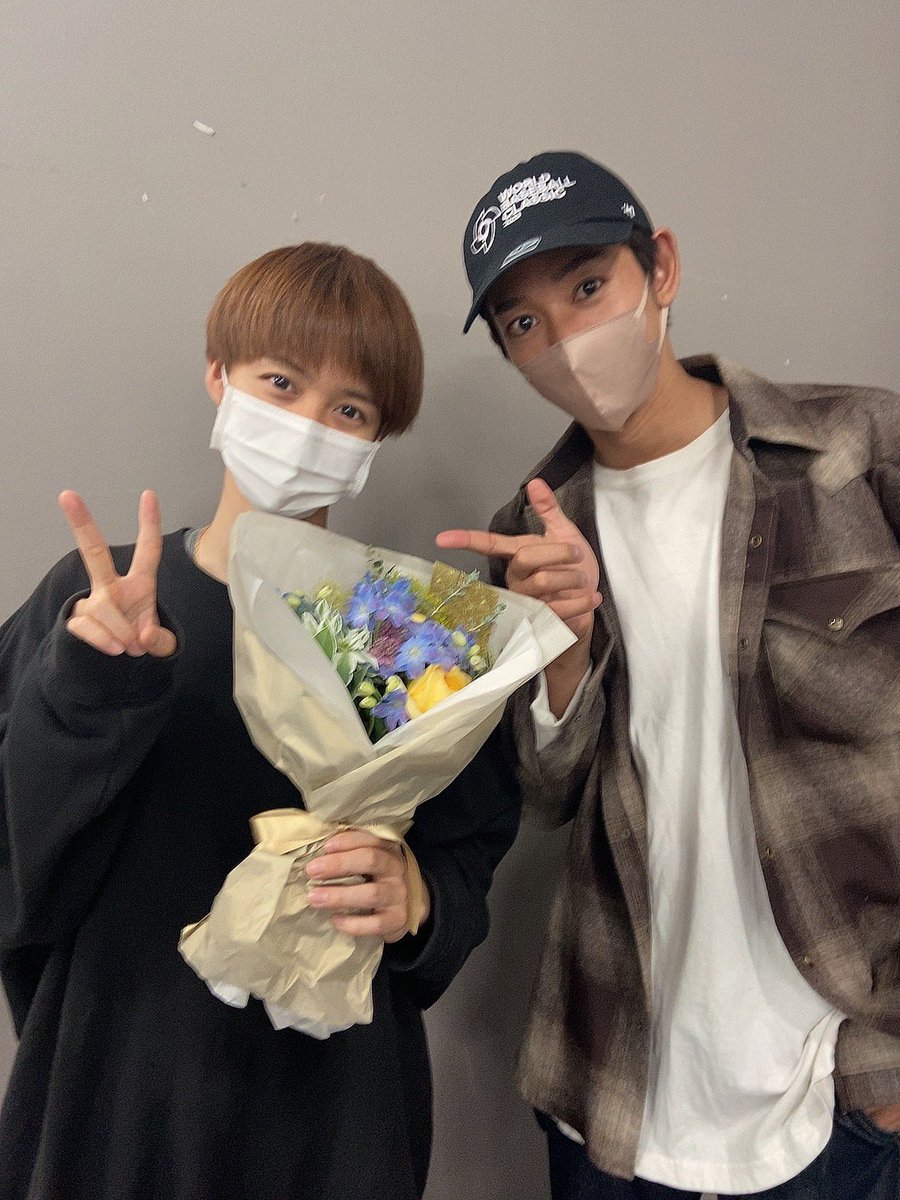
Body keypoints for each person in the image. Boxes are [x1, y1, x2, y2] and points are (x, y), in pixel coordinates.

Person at [0, 242, 519, 1200]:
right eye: (280, 383)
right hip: (110, 1090)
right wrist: (87, 686)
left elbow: (470, 848)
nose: (307, 426)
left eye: (349, 410)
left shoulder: (399, 630)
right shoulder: (99, 600)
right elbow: (17, 852)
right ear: (219, 377)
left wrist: (420, 899)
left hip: (330, 1114)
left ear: (376, 440)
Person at [438, 151, 900, 1198]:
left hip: (850, 1085)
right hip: (619, 1084)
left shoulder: (859, 446)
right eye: (524, 322)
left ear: (662, 268)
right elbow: (546, 797)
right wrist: (561, 642)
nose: (568, 340)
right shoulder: (530, 532)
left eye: (588, 286)